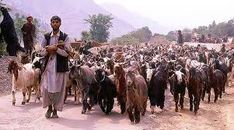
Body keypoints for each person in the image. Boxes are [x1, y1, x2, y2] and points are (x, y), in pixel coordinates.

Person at [40, 16, 72, 118]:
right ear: (50, 24)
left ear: (60, 23)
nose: (55, 24)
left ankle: (55, 110)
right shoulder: (46, 37)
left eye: (57, 22)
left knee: (58, 89)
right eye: (53, 22)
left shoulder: (65, 37)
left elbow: (67, 53)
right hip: (48, 68)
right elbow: (41, 52)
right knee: (47, 88)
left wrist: (56, 49)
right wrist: (48, 50)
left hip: (60, 68)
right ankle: (49, 108)